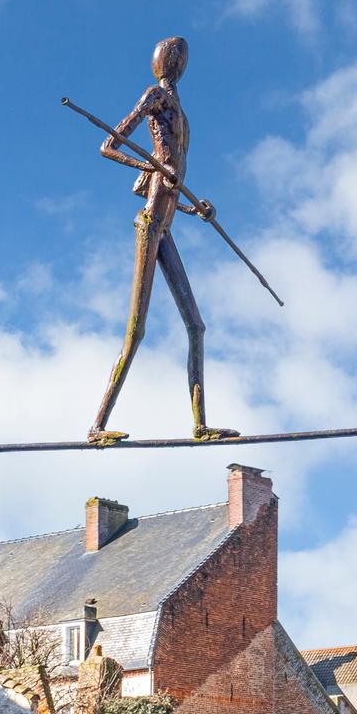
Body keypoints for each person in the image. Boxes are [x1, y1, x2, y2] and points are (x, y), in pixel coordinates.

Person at [89, 37, 237, 444]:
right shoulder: (155, 96)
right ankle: (97, 426)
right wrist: (153, 168)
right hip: (151, 222)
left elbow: (175, 173)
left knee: (197, 326)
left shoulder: (181, 112)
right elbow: (109, 146)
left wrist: (197, 210)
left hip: (167, 223)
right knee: (136, 332)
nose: (177, 62)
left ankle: (200, 424)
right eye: (175, 57)